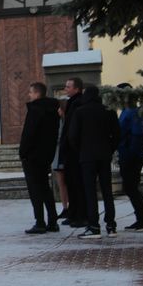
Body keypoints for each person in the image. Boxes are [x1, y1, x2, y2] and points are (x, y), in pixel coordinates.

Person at [69, 86, 120, 239]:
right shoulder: (108, 111)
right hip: (104, 156)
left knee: (90, 192)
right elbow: (117, 134)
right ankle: (111, 225)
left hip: (87, 157)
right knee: (107, 191)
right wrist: (109, 149)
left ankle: (93, 226)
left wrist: (81, 150)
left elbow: (72, 136)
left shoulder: (80, 112)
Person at [19, 82, 60, 234]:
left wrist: (23, 152)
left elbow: (29, 134)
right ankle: (53, 221)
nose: (29, 95)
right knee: (45, 188)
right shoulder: (53, 110)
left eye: (30, 93)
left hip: (32, 156)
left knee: (35, 190)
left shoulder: (35, 110)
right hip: (46, 155)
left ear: (37, 94)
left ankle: (40, 222)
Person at [117, 83, 143, 231]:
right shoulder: (126, 111)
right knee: (130, 187)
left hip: (131, 155)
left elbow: (137, 134)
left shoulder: (133, 112)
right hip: (127, 153)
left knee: (131, 187)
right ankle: (142, 216)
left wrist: (131, 154)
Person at [58, 77, 87, 228]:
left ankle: (80, 215)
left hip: (75, 152)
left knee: (77, 184)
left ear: (76, 89)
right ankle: (73, 212)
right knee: (71, 183)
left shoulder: (78, 103)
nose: (65, 88)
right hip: (70, 151)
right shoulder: (72, 102)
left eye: (68, 86)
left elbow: (73, 129)